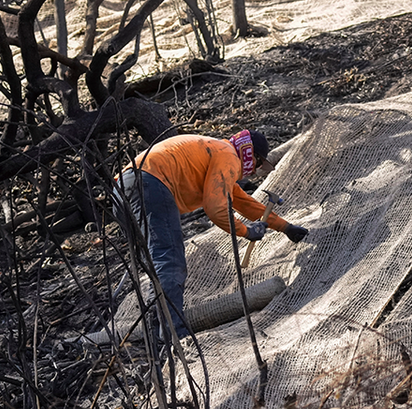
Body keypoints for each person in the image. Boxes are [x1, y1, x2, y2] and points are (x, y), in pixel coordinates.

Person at [114, 130, 309, 340]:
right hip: (149, 184)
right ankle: (174, 335)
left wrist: (285, 227)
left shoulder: (218, 151)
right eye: (258, 162)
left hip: (122, 189)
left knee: (156, 264)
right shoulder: (228, 155)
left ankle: (157, 329)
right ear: (248, 152)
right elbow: (215, 208)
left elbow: (244, 203)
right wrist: (246, 231)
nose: (256, 170)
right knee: (169, 260)